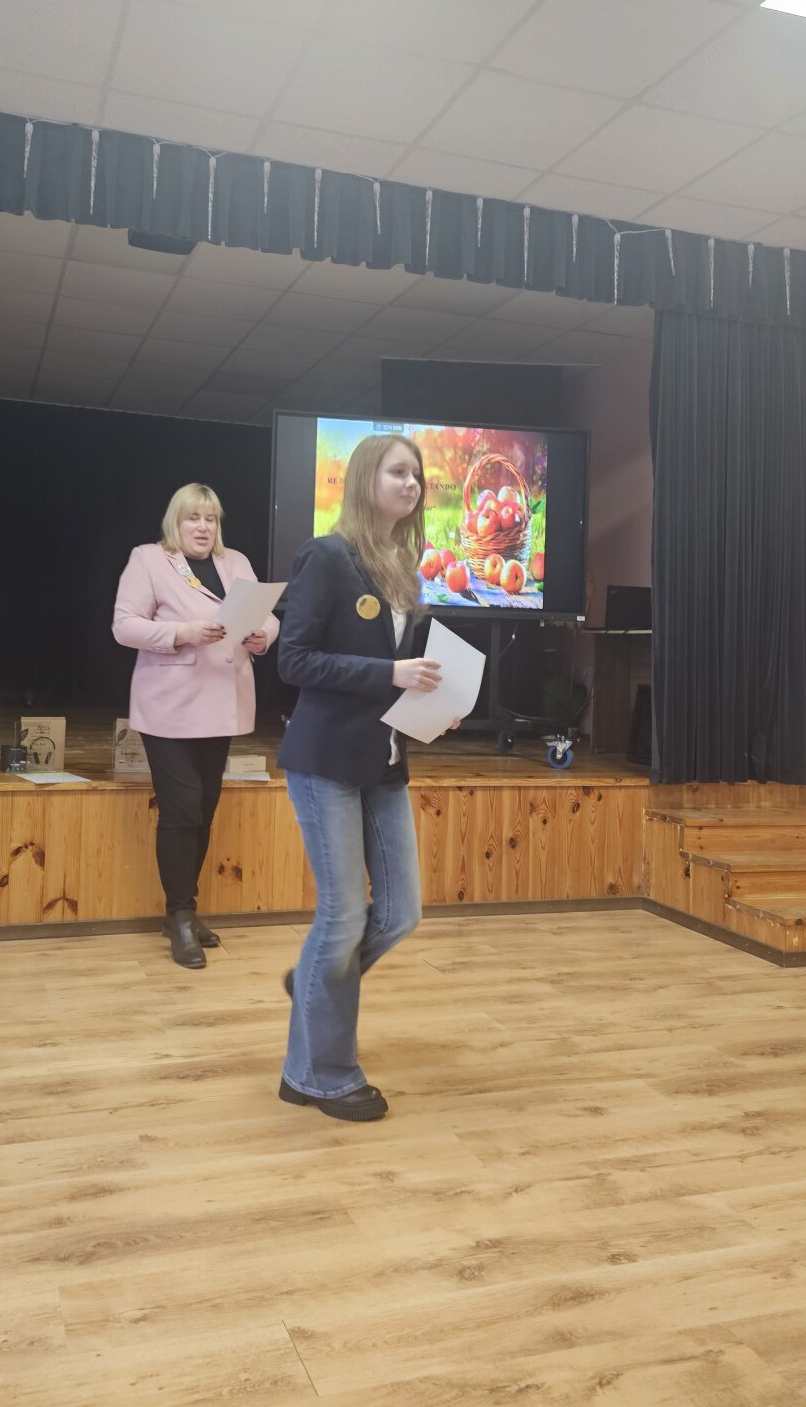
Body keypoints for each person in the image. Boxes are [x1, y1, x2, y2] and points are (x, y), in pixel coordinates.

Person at [276, 433, 454, 1122]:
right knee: (344, 916)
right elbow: (294, 660)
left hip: (385, 761)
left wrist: (438, 702)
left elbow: (407, 671)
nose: (412, 484)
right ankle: (323, 1075)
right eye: (398, 471)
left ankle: (314, 983)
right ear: (364, 480)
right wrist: (390, 673)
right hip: (325, 759)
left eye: (417, 475)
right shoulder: (327, 556)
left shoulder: (403, 564)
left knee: (400, 912)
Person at [113, 482, 278, 969]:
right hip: (170, 706)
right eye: (193, 518)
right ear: (176, 522)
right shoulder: (149, 559)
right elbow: (124, 625)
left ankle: (185, 911)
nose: (203, 527)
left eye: (211, 519)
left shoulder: (236, 562)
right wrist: (182, 633)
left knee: (204, 809)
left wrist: (262, 636)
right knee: (182, 808)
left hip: (221, 705)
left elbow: (268, 618)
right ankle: (179, 915)